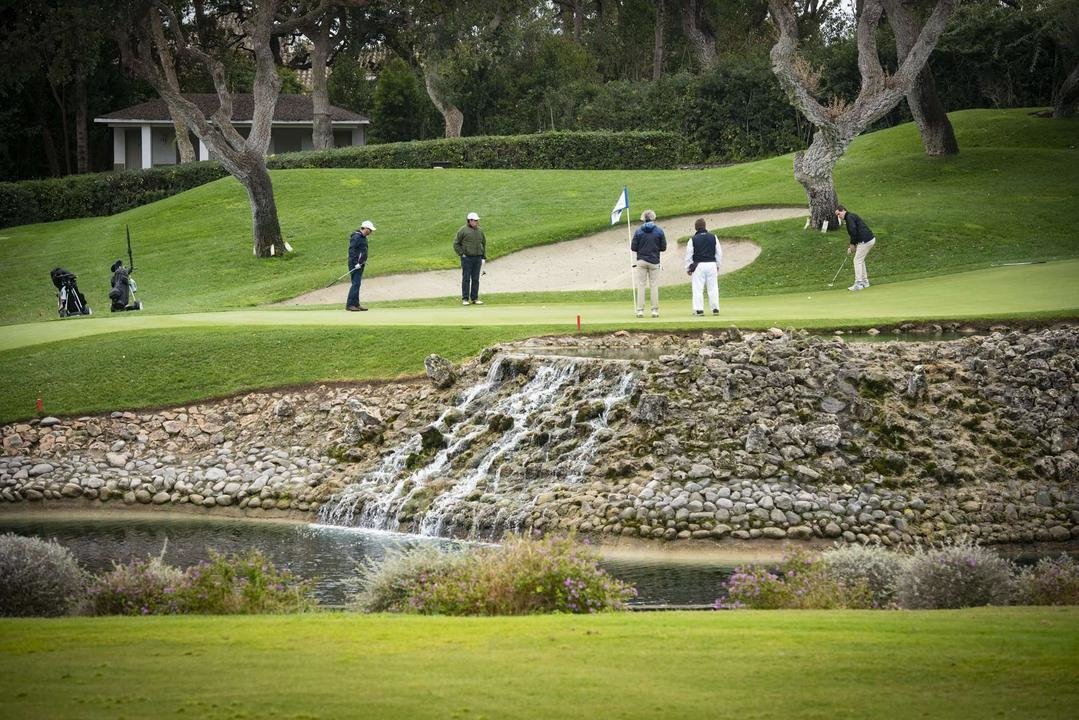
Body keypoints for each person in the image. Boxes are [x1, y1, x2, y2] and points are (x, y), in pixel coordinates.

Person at [631, 209, 667, 318]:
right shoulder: (659, 231)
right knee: (654, 285)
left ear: (643, 219)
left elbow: (633, 247)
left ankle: (640, 311)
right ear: (653, 218)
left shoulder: (638, 231)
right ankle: (654, 311)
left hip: (641, 261)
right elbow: (663, 247)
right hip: (654, 261)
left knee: (641, 285)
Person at [684, 218, 722, 316]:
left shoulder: (692, 239)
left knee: (698, 288)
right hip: (712, 264)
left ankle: (699, 310)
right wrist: (717, 265)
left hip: (699, 265)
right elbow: (719, 253)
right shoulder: (714, 237)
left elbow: (689, 255)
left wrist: (688, 268)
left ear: (696, 228)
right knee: (713, 288)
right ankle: (715, 309)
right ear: (705, 226)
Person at [835, 205, 876, 291]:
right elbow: (856, 233)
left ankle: (858, 283)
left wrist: (852, 245)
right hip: (868, 239)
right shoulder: (850, 217)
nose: (838, 216)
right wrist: (852, 246)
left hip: (866, 240)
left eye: (838, 214)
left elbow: (853, 231)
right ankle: (865, 282)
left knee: (857, 260)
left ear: (843, 211)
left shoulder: (849, 218)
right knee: (860, 259)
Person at [454, 211, 487, 305]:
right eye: (474, 220)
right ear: (469, 220)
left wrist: (483, 256)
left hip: (478, 258)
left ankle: (474, 298)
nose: (476, 222)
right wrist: (461, 253)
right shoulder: (463, 230)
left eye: (477, 220)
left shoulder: (480, 230)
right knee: (466, 278)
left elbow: (483, 243)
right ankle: (465, 299)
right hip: (467, 258)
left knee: (476, 279)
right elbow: (456, 243)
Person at [346, 220, 375, 311]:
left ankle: (356, 304)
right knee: (356, 283)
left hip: (360, 264)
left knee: (357, 284)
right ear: (365, 228)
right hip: (355, 264)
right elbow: (352, 251)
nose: (371, 232)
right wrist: (355, 263)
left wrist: (363, 260)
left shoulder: (363, 237)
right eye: (370, 230)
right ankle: (350, 305)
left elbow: (362, 251)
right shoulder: (356, 237)